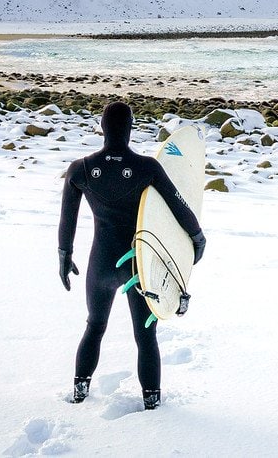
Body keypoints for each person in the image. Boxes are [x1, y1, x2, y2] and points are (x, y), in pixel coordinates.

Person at [57, 101, 206, 410]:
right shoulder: (146, 168)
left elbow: (67, 218)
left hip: (100, 264)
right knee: (146, 335)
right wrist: (197, 238)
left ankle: (79, 391)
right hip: (139, 265)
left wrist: (64, 254)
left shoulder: (80, 169)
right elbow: (179, 206)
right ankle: (151, 401)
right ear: (130, 129)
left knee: (94, 326)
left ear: (102, 128)